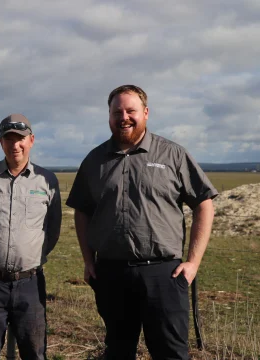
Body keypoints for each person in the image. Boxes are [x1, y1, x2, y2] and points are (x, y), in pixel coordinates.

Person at [66, 85, 218, 360]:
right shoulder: (94, 160)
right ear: (109, 117)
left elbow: (204, 205)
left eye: (131, 111)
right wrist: (88, 261)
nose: (124, 117)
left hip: (163, 275)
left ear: (145, 113)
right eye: (117, 112)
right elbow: (82, 212)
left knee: (170, 353)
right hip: (111, 275)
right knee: (118, 351)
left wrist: (193, 263)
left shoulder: (172, 154)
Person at [0, 114, 62, 360]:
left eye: (20, 139)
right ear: (1, 143)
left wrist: (30, 255)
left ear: (31, 140)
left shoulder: (47, 180)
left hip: (30, 284)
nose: (14, 145)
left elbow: (53, 228)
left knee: (34, 353)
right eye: (8, 139)